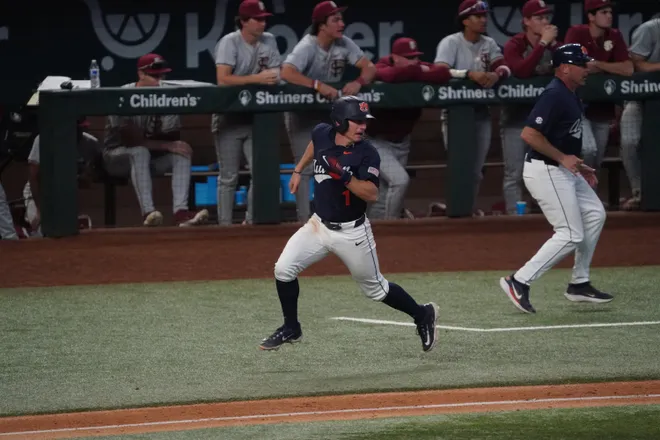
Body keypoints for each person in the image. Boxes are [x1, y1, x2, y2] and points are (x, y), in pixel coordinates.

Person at [260, 96, 439, 352]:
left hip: (352, 233)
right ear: (340, 121)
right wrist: (298, 169)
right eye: (357, 121)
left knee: (376, 289)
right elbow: (315, 145)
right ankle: (291, 327)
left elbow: (371, 193)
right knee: (283, 270)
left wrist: (342, 175)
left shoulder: (367, 153)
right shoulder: (323, 132)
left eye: (364, 121)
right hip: (318, 226)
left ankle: (422, 314)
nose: (363, 126)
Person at [499, 44, 613, 314]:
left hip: (564, 170)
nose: (588, 68)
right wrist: (563, 158)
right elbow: (529, 134)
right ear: (564, 68)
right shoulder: (554, 94)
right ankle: (519, 281)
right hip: (545, 170)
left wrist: (576, 163)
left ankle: (579, 283)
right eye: (582, 64)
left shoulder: (571, 93)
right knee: (570, 233)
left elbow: (562, 137)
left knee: (596, 213)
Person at [280, 1, 376, 223]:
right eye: (336, 20)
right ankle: (304, 220)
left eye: (341, 19)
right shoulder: (308, 46)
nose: (342, 23)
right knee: (304, 166)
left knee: (340, 163)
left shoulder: (344, 43)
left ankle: (334, 215)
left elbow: (370, 68)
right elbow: (286, 72)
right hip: (302, 114)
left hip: (330, 114)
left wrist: (359, 81)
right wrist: (317, 85)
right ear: (321, 25)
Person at [103, 54, 209, 227]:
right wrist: (166, 145)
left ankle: (181, 213)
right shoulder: (122, 95)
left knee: (182, 153)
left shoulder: (168, 97)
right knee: (140, 152)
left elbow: (171, 138)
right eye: (154, 76)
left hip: (148, 159)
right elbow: (130, 140)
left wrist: (171, 144)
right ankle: (148, 213)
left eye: (162, 76)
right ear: (141, 74)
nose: (159, 81)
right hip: (116, 158)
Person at [434, 0, 511, 212]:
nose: (484, 20)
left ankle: (467, 210)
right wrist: (468, 74)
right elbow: (439, 70)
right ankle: (454, 209)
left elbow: (504, 65)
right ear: (466, 20)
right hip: (455, 114)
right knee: (461, 166)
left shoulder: (489, 43)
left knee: (476, 171)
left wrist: (497, 74)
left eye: (485, 15)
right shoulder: (451, 43)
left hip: (481, 113)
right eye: (478, 16)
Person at [367, 37, 456, 220]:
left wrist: (414, 70)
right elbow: (389, 75)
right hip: (376, 141)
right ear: (395, 57)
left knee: (384, 195)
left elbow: (443, 73)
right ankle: (391, 229)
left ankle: (378, 236)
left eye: (416, 57)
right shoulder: (382, 65)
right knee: (400, 181)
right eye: (409, 57)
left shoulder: (417, 65)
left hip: (402, 142)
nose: (414, 61)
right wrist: (418, 71)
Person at [212, 0, 282, 225]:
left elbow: (277, 74)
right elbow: (223, 80)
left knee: (259, 172)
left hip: (255, 119)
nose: (263, 22)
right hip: (229, 117)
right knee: (228, 177)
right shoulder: (229, 42)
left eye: (264, 18)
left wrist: (267, 78)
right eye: (258, 19)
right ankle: (224, 225)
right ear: (243, 22)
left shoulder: (269, 40)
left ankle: (251, 222)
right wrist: (257, 79)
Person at [501, 0, 560, 215]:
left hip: (545, 123)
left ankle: (551, 217)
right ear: (526, 21)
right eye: (539, 18)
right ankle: (513, 218)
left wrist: (552, 46)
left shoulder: (554, 45)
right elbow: (521, 71)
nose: (545, 22)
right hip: (516, 119)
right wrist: (543, 45)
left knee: (548, 172)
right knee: (514, 174)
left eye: (547, 17)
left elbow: (568, 69)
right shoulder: (514, 44)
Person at [564, 0, 633, 172]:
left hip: (602, 107)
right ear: (591, 16)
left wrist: (599, 65)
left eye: (610, 12)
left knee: (597, 160)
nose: (609, 16)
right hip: (577, 104)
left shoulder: (614, 35)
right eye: (603, 12)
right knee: (588, 150)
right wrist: (603, 67)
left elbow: (628, 68)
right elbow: (569, 64)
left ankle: (589, 198)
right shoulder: (577, 33)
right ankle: (579, 196)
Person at [24, 117, 101, 236]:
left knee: (68, 231)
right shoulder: (44, 139)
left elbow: (94, 174)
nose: (81, 131)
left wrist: (87, 177)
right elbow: (34, 176)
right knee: (42, 228)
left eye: (83, 127)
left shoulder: (91, 143)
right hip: (41, 190)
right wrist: (40, 209)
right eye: (78, 128)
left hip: (67, 192)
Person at [619, 13, 660, 210]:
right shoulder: (650, 29)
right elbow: (635, 64)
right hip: (639, 96)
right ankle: (638, 191)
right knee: (630, 142)